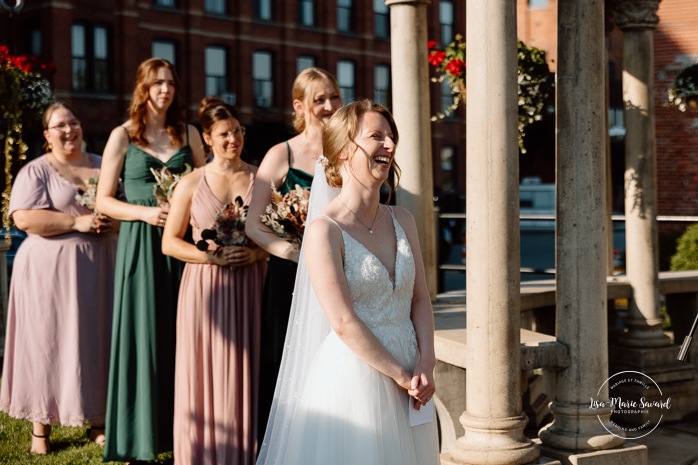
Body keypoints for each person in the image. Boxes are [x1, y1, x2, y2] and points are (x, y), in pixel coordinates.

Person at [257, 99, 440, 465]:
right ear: (343, 151)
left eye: (392, 137)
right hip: (359, 378)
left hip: (413, 372)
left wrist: (426, 364)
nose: (389, 146)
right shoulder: (325, 231)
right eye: (376, 136)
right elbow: (342, 322)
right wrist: (400, 375)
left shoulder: (403, 218)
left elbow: (420, 299)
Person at [95, 57, 206, 462]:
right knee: (144, 333)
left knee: (185, 333)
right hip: (141, 244)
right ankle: (139, 437)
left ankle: (186, 433)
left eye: (171, 83)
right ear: (143, 88)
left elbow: (209, 186)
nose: (165, 90)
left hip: (183, 245)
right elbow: (103, 199)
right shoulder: (122, 136)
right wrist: (144, 212)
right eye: (157, 83)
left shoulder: (190, 133)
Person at [0, 102, 118, 454]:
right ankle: (41, 429)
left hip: (100, 268)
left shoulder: (104, 165)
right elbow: (23, 218)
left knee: (96, 339)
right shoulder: (36, 171)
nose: (70, 130)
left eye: (74, 122)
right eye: (60, 125)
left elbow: (123, 204)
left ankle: (97, 420)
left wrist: (116, 222)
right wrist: (75, 222)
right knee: (47, 341)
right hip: (49, 274)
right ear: (47, 135)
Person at [162, 97, 268, 465]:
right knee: (204, 370)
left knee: (250, 365)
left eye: (237, 131)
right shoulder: (191, 183)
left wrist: (256, 254)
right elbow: (170, 242)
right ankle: (203, 453)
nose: (233, 139)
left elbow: (280, 236)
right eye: (224, 134)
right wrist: (212, 256)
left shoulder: (261, 178)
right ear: (207, 138)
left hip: (252, 284)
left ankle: (246, 452)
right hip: (204, 287)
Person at [245, 67, 342, 441]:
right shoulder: (280, 154)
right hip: (290, 275)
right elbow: (255, 225)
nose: (331, 105)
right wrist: (295, 254)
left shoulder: (348, 150)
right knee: (288, 361)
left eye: (334, 96)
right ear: (299, 106)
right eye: (320, 99)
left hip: (342, 270)